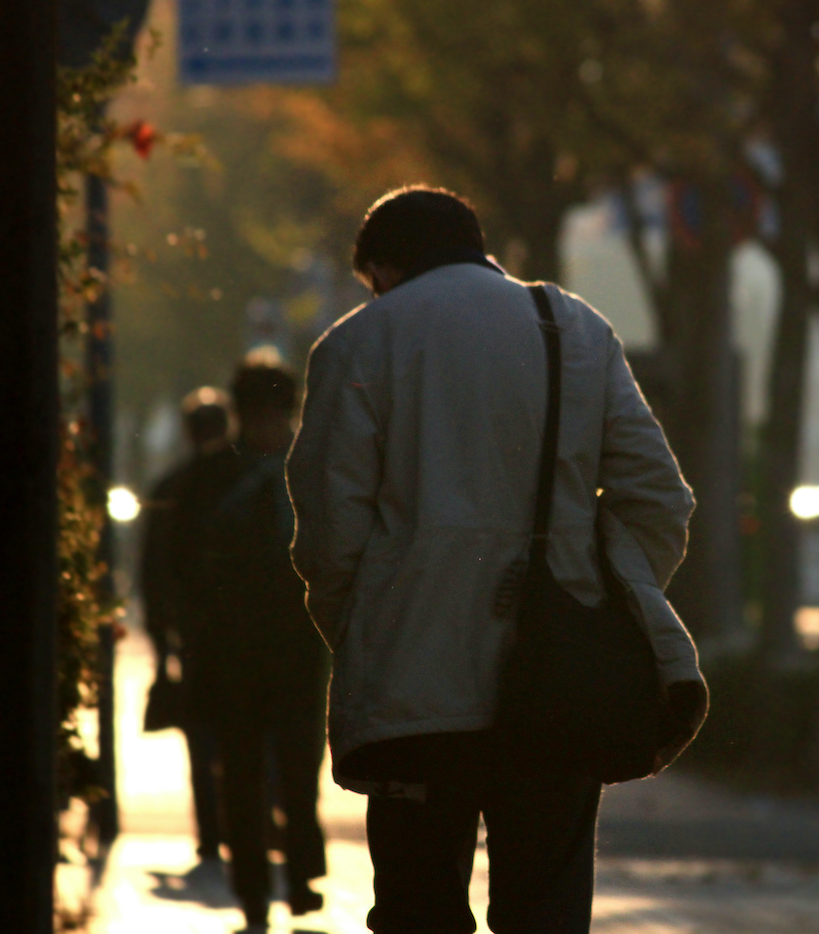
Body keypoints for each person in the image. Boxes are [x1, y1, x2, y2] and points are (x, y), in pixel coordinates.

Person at [286, 186, 708, 933]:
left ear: (382, 268)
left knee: (418, 909)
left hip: (411, 688)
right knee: (543, 910)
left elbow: (327, 531)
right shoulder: (573, 328)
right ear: (476, 248)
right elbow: (660, 499)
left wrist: (366, 624)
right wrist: (596, 590)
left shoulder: (357, 344)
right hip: (559, 688)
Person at [175, 355, 331, 929]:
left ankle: (281, 881)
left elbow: (182, 565)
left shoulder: (212, 478)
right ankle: (270, 885)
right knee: (273, 770)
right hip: (283, 647)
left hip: (242, 651)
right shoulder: (310, 471)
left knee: (266, 772)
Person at [139, 387, 231, 866]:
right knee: (241, 734)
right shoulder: (239, 483)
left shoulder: (171, 486)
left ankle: (211, 831)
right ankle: (245, 823)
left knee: (200, 735)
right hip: (235, 634)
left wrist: (160, 642)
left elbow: (153, 571)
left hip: (191, 634)